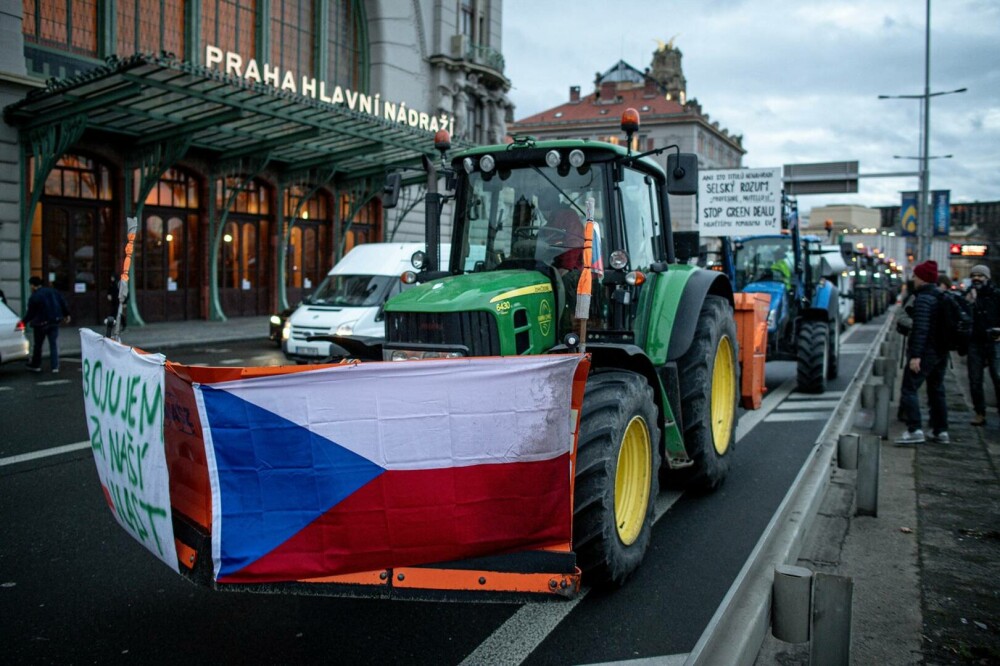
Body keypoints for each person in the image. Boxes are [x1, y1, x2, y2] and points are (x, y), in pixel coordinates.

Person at [896, 260, 949, 444]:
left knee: (909, 389)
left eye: (916, 276)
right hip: (941, 353)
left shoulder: (923, 299)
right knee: (937, 390)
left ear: (923, 279)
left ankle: (915, 430)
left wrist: (916, 356)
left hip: (925, 352)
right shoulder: (941, 296)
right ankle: (940, 431)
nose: (913, 279)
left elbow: (920, 330)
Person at [964, 264, 1000, 426]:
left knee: (997, 378)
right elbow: (961, 316)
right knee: (974, 379)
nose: (977, 279)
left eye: (980, 276)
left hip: (995, 342)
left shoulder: (996, 295)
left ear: (987, 278)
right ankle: (979, 412)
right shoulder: (969, 296)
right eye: (974, 275)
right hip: (975, 342)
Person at [21, 276, 70, 374]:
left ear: (33, 285)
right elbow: (62, 302)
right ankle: (55, 366)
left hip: (40, 324)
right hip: (54, 321)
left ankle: (36, 365)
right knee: (53, 344)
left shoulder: (34, 297)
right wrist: (66, 314)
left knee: (38, 345)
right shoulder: (53, 291)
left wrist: (23, 322)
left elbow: (31, 313)